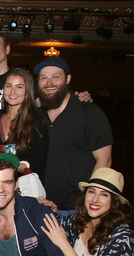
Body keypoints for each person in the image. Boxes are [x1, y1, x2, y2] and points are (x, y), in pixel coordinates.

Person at [34, 56, 113, 215]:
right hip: (41, 205)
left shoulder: (89, 113)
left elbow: (104, 160)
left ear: (68, 79)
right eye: (44, 78)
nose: (49, 83)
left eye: (56, 76)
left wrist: (89, 202)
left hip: (76, 209)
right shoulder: (36, 114)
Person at [0, 68, 49, 177]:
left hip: (24, 189)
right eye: (8, 86)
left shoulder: (36, 122)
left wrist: (15, 166)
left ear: (27, 91)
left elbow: (40, 163)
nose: (12, 92)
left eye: (19, 87)